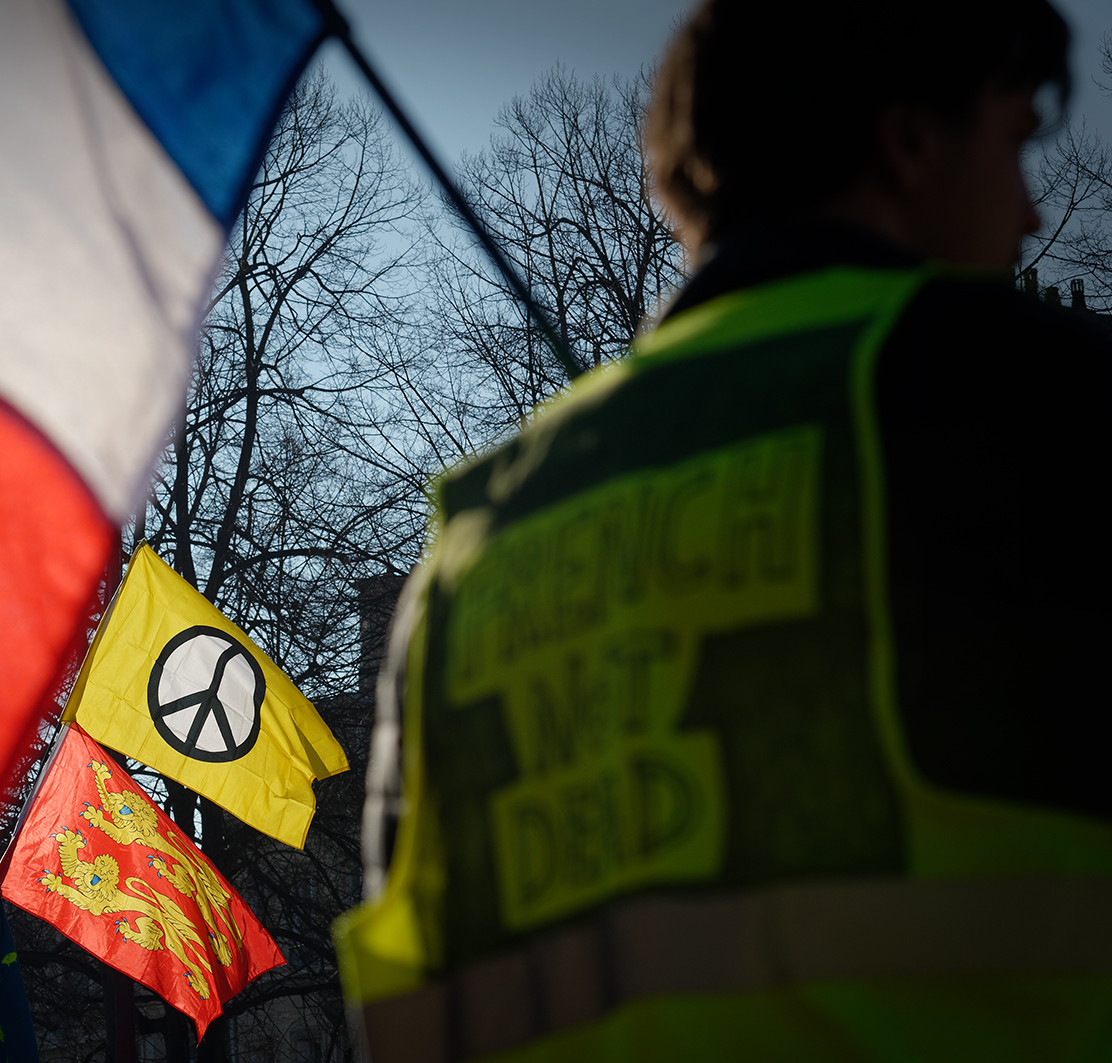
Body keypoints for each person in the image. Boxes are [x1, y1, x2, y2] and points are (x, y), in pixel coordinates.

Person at [335, 1, 1112, 1059]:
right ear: (910, 140)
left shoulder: (468, 554)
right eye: (1016, 141)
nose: (1028, 213)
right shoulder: (1029, 404)